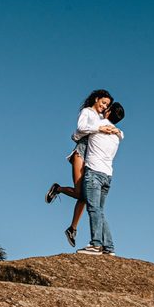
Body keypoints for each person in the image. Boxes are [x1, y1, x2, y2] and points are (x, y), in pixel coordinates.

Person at [45, 89, 116, 247]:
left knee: (85, 196)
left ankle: (72, 228)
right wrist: (99, 128)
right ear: (96, 99)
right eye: (103, 102)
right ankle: (58, 189)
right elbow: (79, 129)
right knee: (80, 193)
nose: (104, 107)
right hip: (81, 153)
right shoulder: (87, 112)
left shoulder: (100, 117)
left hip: (93, 157)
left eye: (107, 105)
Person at [75, 101, 125, 255]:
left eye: (106, 108)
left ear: (108, 112)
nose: (103, 109)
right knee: (99, 211)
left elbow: (78, 132)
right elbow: (122, 134)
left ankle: (96, 244)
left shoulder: (98, 124)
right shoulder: (117, 134)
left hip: (94, 173)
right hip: (107, 175)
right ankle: (108, 247)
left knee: (93, 209)